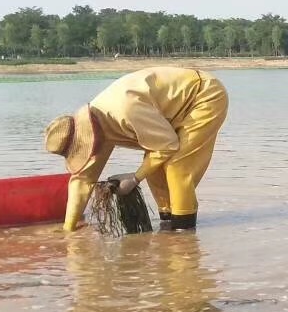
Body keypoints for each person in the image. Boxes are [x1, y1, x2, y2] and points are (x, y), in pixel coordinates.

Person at [45, 67, 229, 233]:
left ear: (89, 134)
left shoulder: (125, 110)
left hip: (203, 95)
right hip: (171, 110)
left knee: (176, 165)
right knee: (154, 167)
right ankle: (168, 223)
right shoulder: (96, 127)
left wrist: (134, 178)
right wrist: (68, 228)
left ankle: (183, 234)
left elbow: (168, 146)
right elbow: (83, 180)